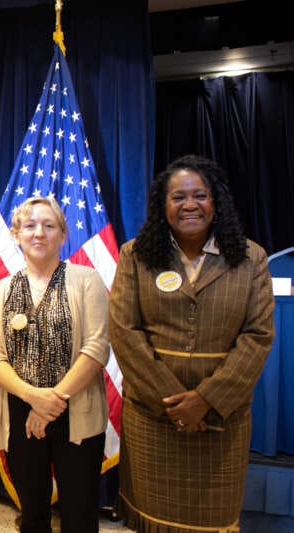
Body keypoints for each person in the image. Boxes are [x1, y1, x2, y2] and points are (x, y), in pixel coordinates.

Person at [109, 154, 275, 532]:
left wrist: (206, 401)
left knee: (213, 520)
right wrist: (173, 402)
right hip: (152, 418)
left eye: (199, 195)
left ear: (215, 201)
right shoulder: (135, 256)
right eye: (177, 197)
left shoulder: (252, 259)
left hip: (222, 422)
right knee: (152, 521)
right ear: (162, 206)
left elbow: (258, 335)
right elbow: (123, 331)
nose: (189, 205)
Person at [0, 196, 110, 533]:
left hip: (77, 410)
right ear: (16, 234)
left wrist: (51, 401)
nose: (39, 233)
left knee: (79, 516)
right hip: (20, 414)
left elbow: (97, 348)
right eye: (30, 225)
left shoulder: (87, 280)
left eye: (49, 225)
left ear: (63, 235)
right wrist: (34, 398)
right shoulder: (0, 291)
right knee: (33, 515)